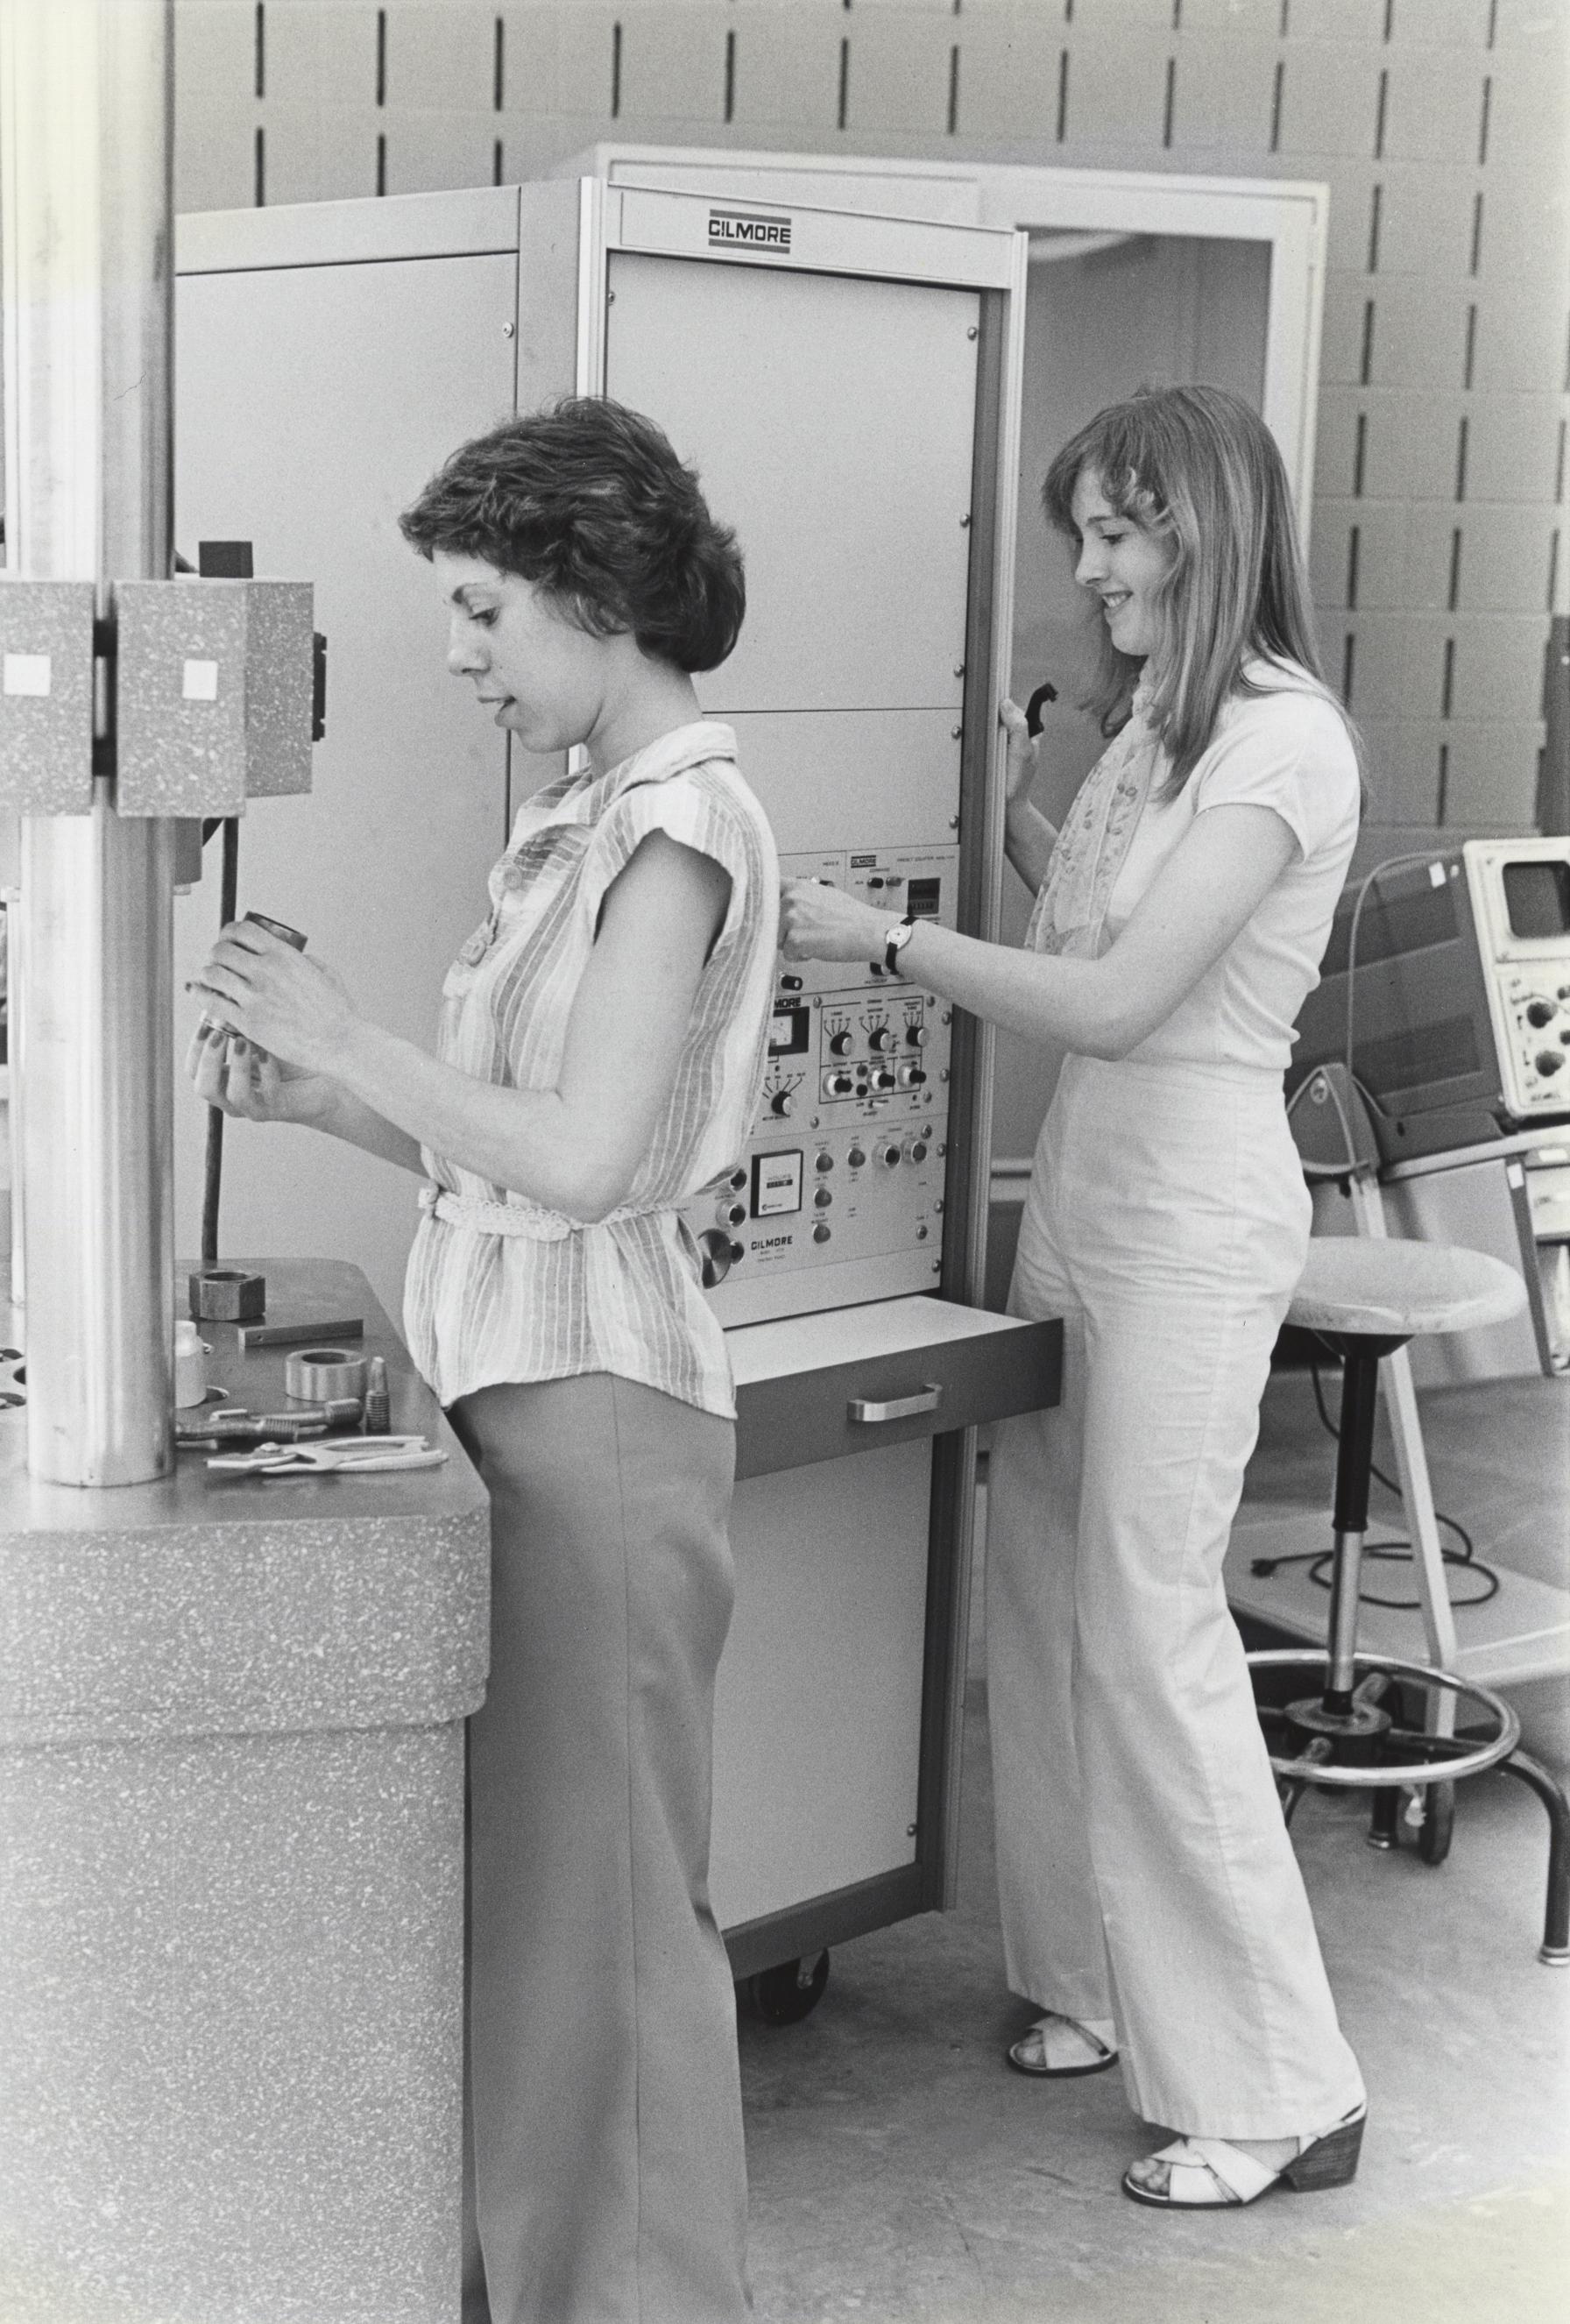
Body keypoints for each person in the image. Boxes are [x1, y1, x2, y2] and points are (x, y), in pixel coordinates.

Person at [187, 397, 777, 2320]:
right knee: (536, 1916)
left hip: (597, 1417)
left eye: (480, 610)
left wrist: (349, 1037)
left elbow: (589, 1158)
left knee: (605, 1929)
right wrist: (319, 1100)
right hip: (519, 1395)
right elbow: (508, 1145)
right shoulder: (584, 816)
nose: (457, 655)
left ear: (594, 592)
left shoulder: (680, 825)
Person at [781, 384, 1368, 2211]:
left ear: (1199, 527)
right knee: (1037, 1593)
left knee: (1145, 1622)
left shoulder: (1283, 743)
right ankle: (1093, 1985)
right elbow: (1082, 936)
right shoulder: (1155, 734)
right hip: (1092, 1183)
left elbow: (1121, 1004)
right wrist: (1015, 809)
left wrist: (879, 940)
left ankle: (1280, 2091)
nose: (1093, 569)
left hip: (1190, 1203)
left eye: (1115, 532)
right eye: (1085, 537)